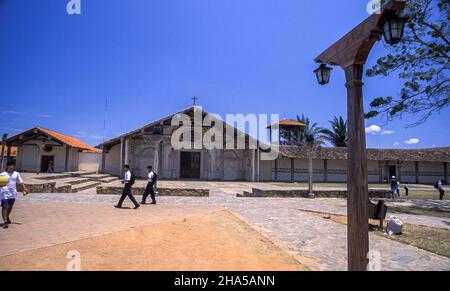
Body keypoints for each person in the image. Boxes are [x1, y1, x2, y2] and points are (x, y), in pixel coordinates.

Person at [1, 161, 29, 229]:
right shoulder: (2, 174)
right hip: (4, 192)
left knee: (10, 206)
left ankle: (7, 216)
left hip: (13, 193)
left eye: (13, 165)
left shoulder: (16, 174)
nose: (12, 167)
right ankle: (5, 222)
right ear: (7, 166)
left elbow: (21, 182)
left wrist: (25, 188)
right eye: (10, 165)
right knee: (5, 206)